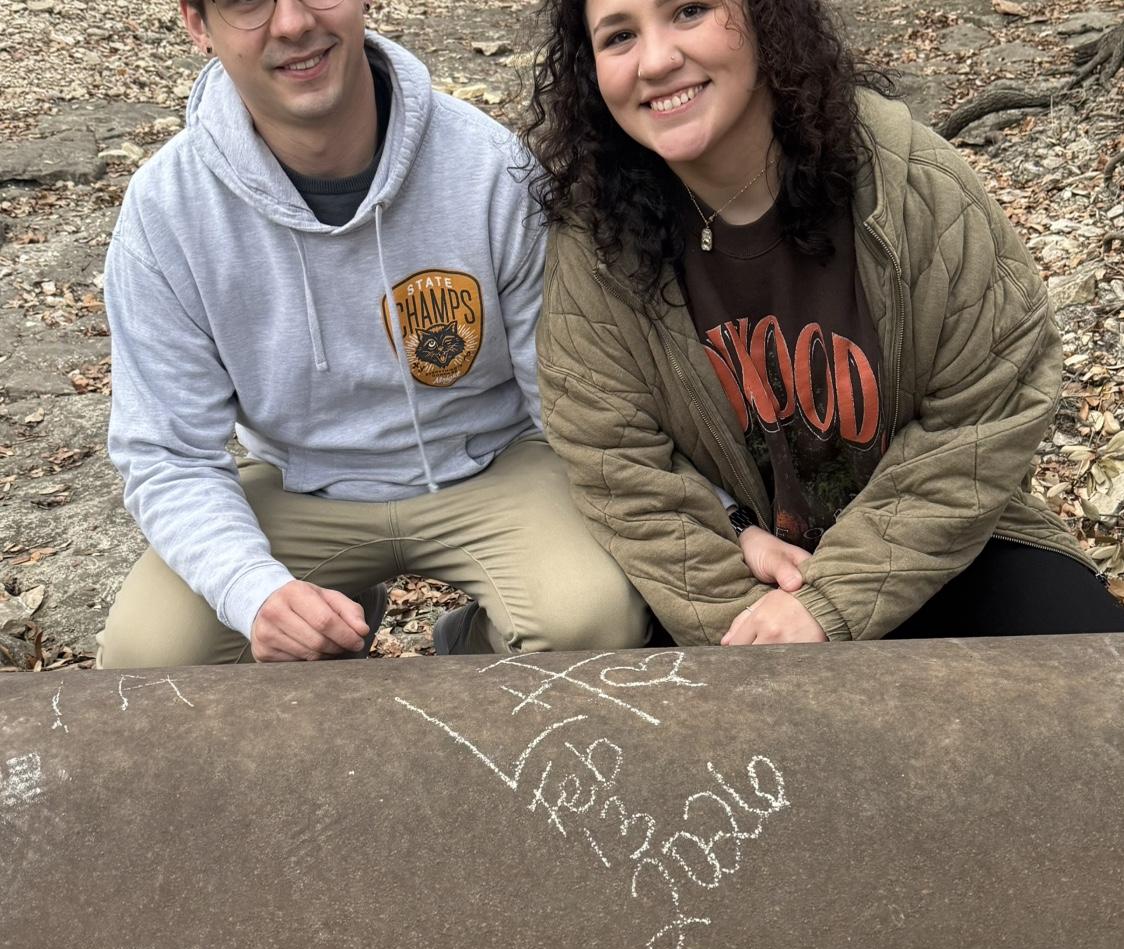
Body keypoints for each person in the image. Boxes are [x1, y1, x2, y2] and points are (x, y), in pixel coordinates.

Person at [523, 0, 1124, 645]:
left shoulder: (911, 185)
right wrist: (745, 611)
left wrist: (831, 603)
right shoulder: (596, 242)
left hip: (933, 546)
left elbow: (986, 409)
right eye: (619, 36)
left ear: (766, 18)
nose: (656, 60)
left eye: (690, 11)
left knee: (1090, 667)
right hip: (730, 571)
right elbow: (615, 463)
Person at [98, 0, 649, 667]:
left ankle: (470, 653)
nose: (293, 23)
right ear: (197, 23)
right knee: (147, 659)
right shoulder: (166, 210)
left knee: (594, 619)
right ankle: (333, 628)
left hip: (494, 461)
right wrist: (254, 590)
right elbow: (168, 451)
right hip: (294, 482)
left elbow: (569, 392)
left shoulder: (490, 167)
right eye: (247, 2)